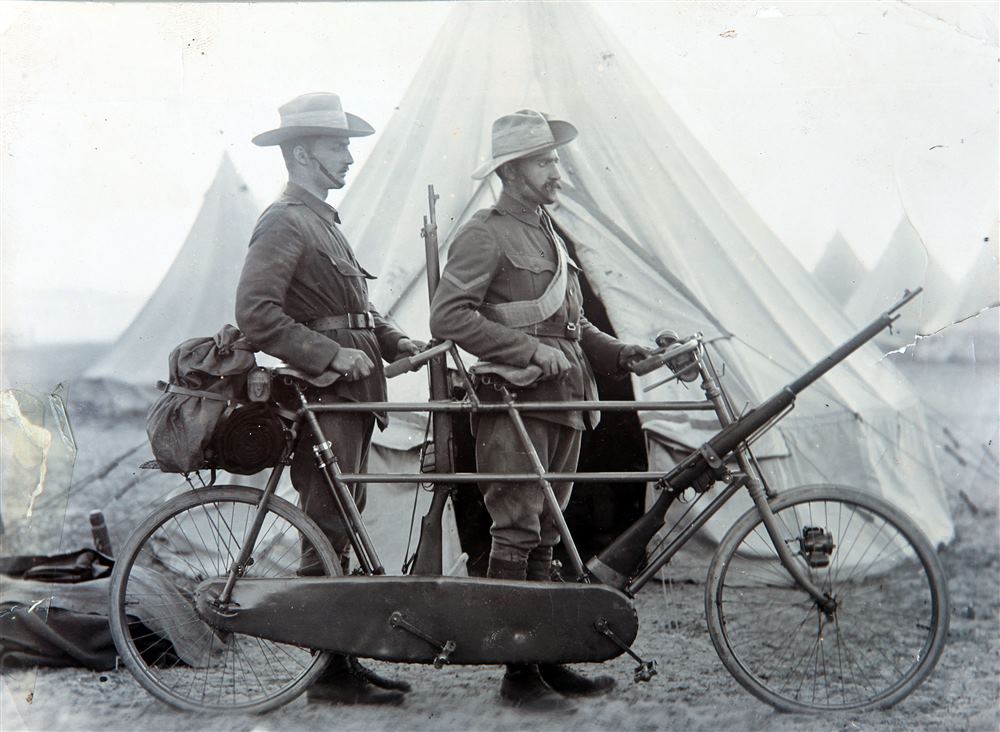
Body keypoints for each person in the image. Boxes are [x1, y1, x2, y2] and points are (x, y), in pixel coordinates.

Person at [429, 109, 651, 711]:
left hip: (567, 404)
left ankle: (545, 658)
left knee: (549, 532)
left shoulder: (549, 232)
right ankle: (516, 674)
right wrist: (525, 351)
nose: (559, 170)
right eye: (547, 160)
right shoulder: (485, 232)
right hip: (515, 405)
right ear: (515, 170)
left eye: (556, 159)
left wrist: (621, 352)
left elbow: (571, 328)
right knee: (517, 530)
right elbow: (449, 317)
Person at [236, 92, 421, 706]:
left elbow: (351, 313)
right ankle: (324, 674)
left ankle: (337, 658)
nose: (348, 157)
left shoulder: (323, 223)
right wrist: (327, 355)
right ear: (300, 152)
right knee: (326, 524)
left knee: (340, 523)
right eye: (337, 145)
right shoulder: (285, 220)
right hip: (324, 399)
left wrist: (394, 341)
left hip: (352, 399)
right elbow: (257, 314)